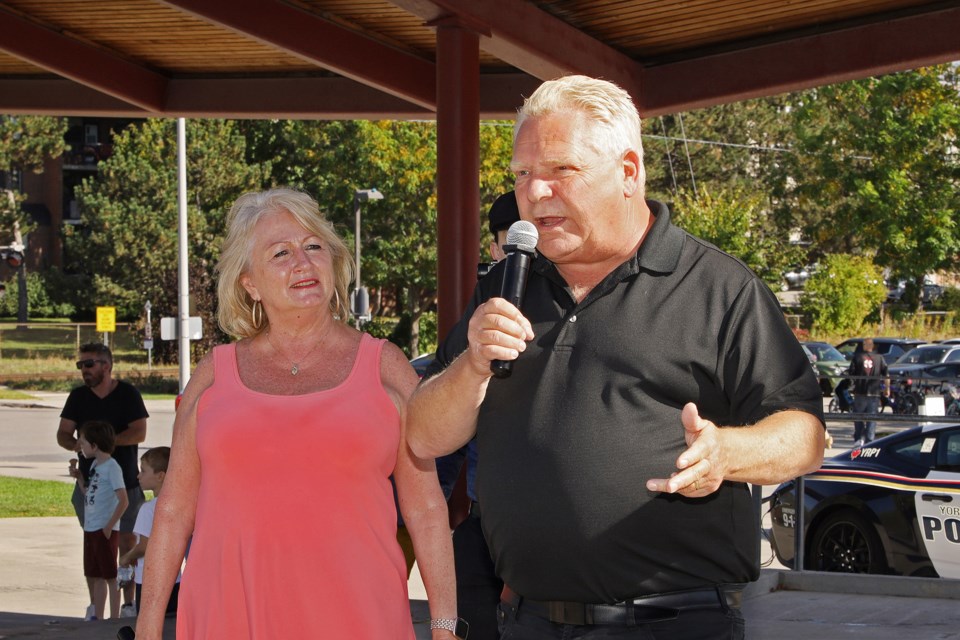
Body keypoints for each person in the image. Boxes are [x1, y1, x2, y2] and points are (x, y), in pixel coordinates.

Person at [407, 75, 825, 640]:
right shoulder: (506, 287)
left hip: (670, 622)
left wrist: (726, 452)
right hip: (528, 620)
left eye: (561, 170)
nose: (535, 192)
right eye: (523, 174)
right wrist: (471, 366)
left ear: (627, 172)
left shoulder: (716, 287)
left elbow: (805, 435)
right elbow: (425, 436)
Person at [136, 187, 460, 640]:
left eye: (313, 247)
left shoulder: (386, 365)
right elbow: (172, 510)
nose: (303, 263)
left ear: (333, 262)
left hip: (358, 617)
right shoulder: (214, 373)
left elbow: (425, 507)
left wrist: (444, 624)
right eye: (280, 253)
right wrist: (148, 627)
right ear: (249, 282)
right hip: (228, 614)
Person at [437, 190, 519, 640]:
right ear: (493, 250)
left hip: (551, 531)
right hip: (486, 523)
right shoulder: (477, 318)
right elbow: (439, 436)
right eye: (513, 243)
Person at [57, 342, 148, 620]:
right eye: (80, 365)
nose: (83, 370)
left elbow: (139, 432)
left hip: (124, 485)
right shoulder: (78, 397)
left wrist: (103, 445)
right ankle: (95, 606)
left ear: (106, 366)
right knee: (95, 545)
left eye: (88, 364)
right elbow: (63, 433)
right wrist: (75, 445)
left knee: (127, 544)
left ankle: (128, 603)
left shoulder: (128, 394)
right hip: (91, 486)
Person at [68, 420, 130, 621]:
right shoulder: (96, 465)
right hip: (91, 527)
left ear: (94, 445)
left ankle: (113, 617)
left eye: (84, 443)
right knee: (96, 575)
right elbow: (89, 493)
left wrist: (109, 526)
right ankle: (98, 615)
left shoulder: (112, 467)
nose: (81, 447)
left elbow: (124, 500)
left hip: (104, 529)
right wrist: (79, 479)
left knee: (110, 576)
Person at [118, 446, 180, 615]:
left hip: (149, 580)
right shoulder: (179, 506)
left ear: (160, 476)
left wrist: (126, 557)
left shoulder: (149, 509)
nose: (138, 476)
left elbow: (144, 546)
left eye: (143, 471)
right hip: (174, 578)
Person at [848, 338, 889, 445]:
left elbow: (851, 374)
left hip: (860, 392)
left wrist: (851, 386)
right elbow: (886, 374)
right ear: (872, 345)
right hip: (874, 392)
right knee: (871, 418)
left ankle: (859, 438)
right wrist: (887, 388)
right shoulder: (879, 358)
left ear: (865, 345)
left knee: (858, 416)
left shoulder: (857, 357)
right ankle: (869, 441)